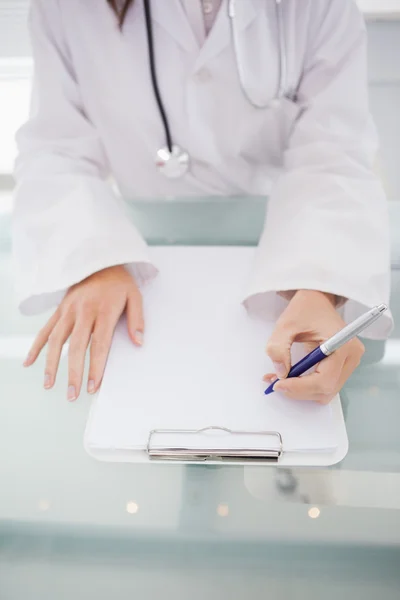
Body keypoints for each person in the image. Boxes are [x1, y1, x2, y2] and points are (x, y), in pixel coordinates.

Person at [14, 0, 392, 404]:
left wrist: (321, 285)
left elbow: (333, 153)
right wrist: (93, 263)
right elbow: (57, 150)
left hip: (285, 245)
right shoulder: (65, 9)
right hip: (144, 247)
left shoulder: (322, 8)